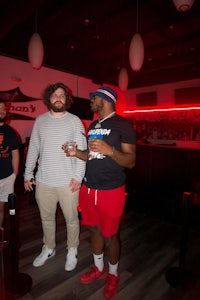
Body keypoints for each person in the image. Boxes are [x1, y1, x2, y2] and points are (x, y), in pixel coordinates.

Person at [63, 86, 136, 298]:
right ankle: (99, 268)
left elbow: (131, 162)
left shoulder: (123, 124)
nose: (90, 102)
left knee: (110, 235)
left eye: (92, 99)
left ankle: (113, 274)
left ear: (103, 100)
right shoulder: (94, 124)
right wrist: (77, 152)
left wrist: (110, 150)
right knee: (93, 231)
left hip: (111, 190)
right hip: (89, 188)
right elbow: (91, 155)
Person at [24, 82, 87, 271]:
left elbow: (83, 151)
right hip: (44, 181)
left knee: (72, 219)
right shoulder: (40, 121)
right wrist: (28, 174)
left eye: (62, 95)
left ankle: (72, 249)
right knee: (47, 218)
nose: (58, 98)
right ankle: (49, 247)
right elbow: (33, 148)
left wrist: (78, 176)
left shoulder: (75, 120)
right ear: (48, 99)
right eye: (55, 95)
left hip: (68, 182)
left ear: (66, 100)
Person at [0, 100, 20, 227]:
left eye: (3, 108)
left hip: (7, 177)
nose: (2, 111)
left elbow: (15, 154)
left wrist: (14, 175)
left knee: (1, 206)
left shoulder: (11, 132)